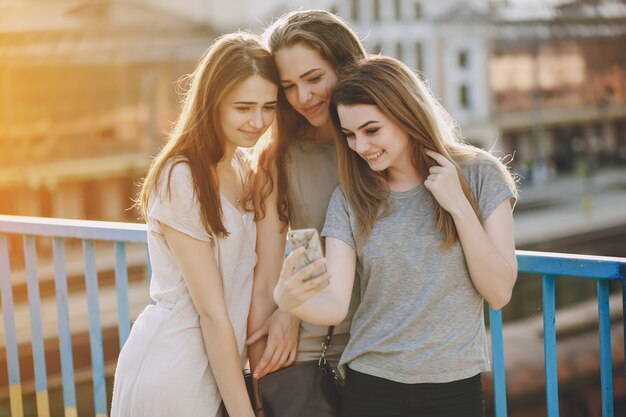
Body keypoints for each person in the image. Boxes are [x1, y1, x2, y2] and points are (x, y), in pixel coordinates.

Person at [274, 56, 518, 417]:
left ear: (405, 114)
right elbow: (335, 305)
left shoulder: (481, 175)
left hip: (454, 389)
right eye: (350, 135)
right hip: (371, 387)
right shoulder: (351, 197)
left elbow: (499, 293)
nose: (359, 146)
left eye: (371, 130)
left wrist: (459, 208)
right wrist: (286, 299)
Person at [110, 33, 279, 417]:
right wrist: (244, 410)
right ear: (213, 102)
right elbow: (212, 313)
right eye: (244, 107)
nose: (258, 121)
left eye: (268, 107)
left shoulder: (243, 167)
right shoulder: (181, 176)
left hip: (220, 369)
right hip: (176, 371)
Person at [246, 9, 367, 390]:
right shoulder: (277, 160)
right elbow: (267, 279)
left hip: (385, 354)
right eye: (289, 86)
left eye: (314, 78)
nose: (303, 97)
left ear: (345, 65)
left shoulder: (382, 147)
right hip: (312, 357)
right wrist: (263, 392)